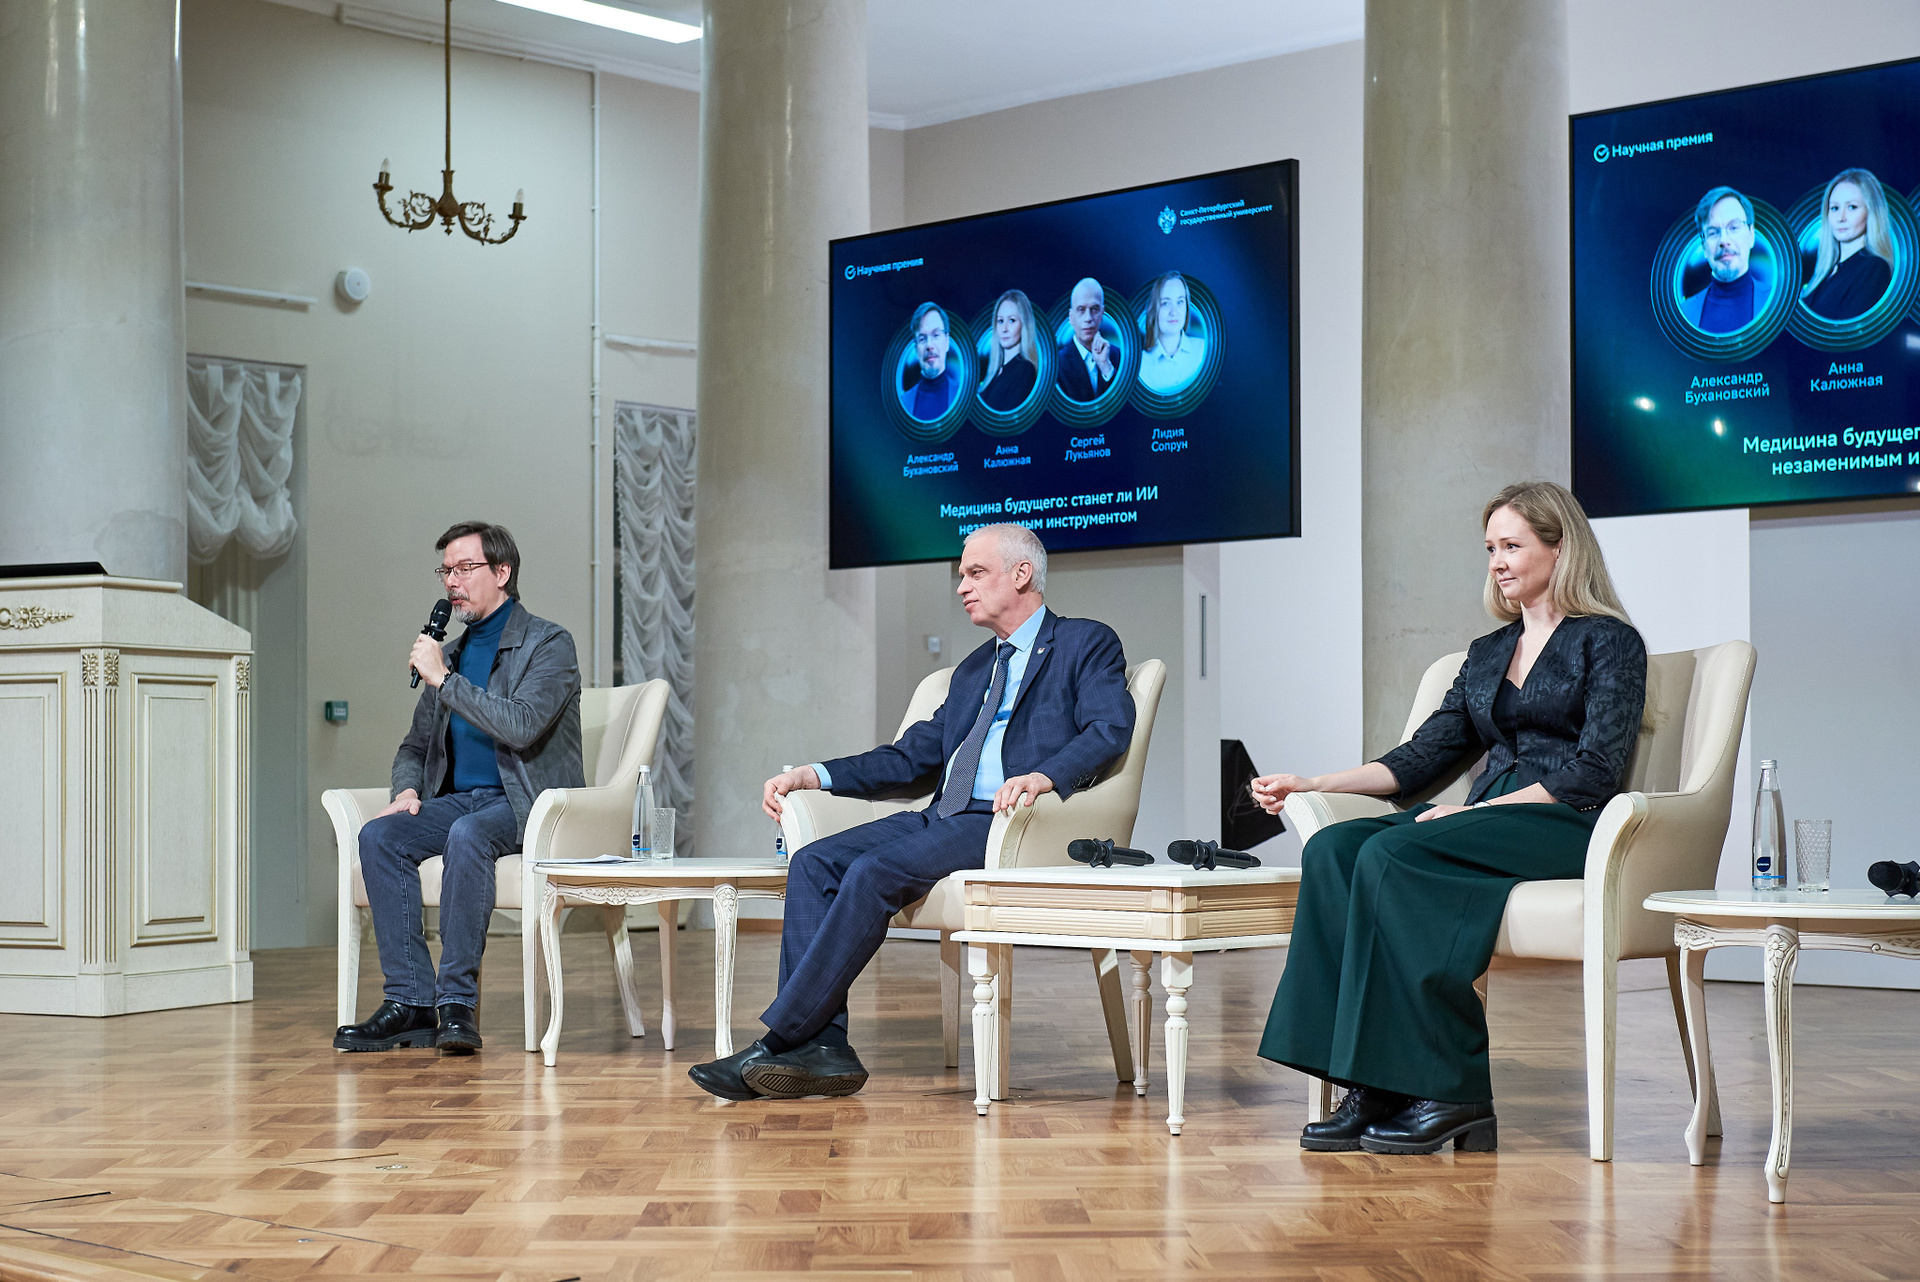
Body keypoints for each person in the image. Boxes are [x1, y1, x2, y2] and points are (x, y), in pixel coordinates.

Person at [1252, 481, 1646, 1155]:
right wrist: (1312, 783)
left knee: (1391, 854)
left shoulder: (1608, 641)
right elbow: (1421, 758)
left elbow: (1596, 771)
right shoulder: (1488, 652)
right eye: (1490, 548)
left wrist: (1479, 810)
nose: (1497, 562)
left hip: (1568, 821)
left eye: (1512, 546)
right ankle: (1372, 1083)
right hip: (1487, 822)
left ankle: (1451, 1090)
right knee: (1334, 850)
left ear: (1561, 548)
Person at [688, 524, 1135, 1101]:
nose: (962, 587)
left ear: (1022, 574)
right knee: (814, 862)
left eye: (975, 573)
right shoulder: (973, 671)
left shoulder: (1085, 642)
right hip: (945, 813)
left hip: (1011, 823)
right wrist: (814, 774)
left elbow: (1108, 728)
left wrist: (1044, 776)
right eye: (961, 576)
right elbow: (909, 758)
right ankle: (826, 1047)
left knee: (872, 872)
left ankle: (779, 1042)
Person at [334, 521, 584, 1056]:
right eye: (446, 570)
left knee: (468, 834)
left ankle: (456, 1004)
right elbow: (413, 747)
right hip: (458, 801)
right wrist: (406, 791)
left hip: (526, 802)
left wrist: (445, 680)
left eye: (465, 568)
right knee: (380, 837)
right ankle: (410, 1002)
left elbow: (521, 725)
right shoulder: (450, 654)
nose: (452, 581)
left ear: (502, 572)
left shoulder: (548, 644)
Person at [1801, 168, 1895, 320]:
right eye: (1834, 208)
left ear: (1870, 212)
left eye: (1852, 207)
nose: (1841, 217)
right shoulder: (1826, 270)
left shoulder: (1875, 267)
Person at [1680, 186, 1771, 334]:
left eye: (1734, 228)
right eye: (1713, 232)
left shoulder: (1777, 304)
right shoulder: (1683, 315)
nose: (1723, 240)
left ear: (1751, 235)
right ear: (1703, 246)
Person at [1137, 271, 1207, 394]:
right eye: (1165, 303)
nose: (1174, 312)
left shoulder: (1204, 350)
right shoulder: (1140, 364)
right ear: (1154, 309)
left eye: (1180, 302)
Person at [1055, 278, 1118, 402]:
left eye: (1094, 309)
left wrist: (1106, 367)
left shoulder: (1118, 357)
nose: (1088, 318)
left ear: (1102, 314)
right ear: (1071, 317)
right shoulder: (1057, 364)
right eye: (1081, 310)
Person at [978, 289, 1039, 412]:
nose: (1004, 329)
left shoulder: (1025, 369)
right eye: (1000, 321)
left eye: (1012, 320)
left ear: (1024, 325)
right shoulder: (996, 370)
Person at [900, 301, 961, 420]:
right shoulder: (904, 403)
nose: (929, 345)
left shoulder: (963, 396)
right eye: (922, 339)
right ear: (916, 350)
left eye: (936, 335)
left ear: (947, 342)